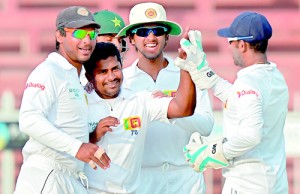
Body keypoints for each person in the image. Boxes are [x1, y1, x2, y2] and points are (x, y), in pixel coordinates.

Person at [178, 12, 289, 194]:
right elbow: (240, 100)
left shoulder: (249, 83)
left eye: (231, 42)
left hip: (248, 185)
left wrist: (211, 153)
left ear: (242, 45)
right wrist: (203, 70)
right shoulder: (274, 77)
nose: (229, 47)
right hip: (271, 182)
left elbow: (251, 135)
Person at [117, 2, 214, 194]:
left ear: (167, 36)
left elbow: (206, 126)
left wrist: (173, 109)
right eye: (142, 32)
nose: (151, 37)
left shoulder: (187, 72)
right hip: (140, 179)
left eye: (158, 31)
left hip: (185, 179)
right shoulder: (121, 81)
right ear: (131, 38)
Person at [14, 6, 110, 194]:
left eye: (92, 34)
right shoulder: (48, 71)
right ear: (59, 35)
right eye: (79, 33)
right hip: (47, 174)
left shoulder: (76, 77)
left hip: (70, 177)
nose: (87, 40)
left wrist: (91, 139)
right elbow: (28, 120)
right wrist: (77, 147)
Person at [82, 41, 196, 193]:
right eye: (103, 72)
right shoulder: (80, 105)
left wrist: (185, 66)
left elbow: (184, 109)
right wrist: (93, 136)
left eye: (115, 69)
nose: (111, 77)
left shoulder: (139, 100)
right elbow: (63, 146)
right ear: (89, 76)